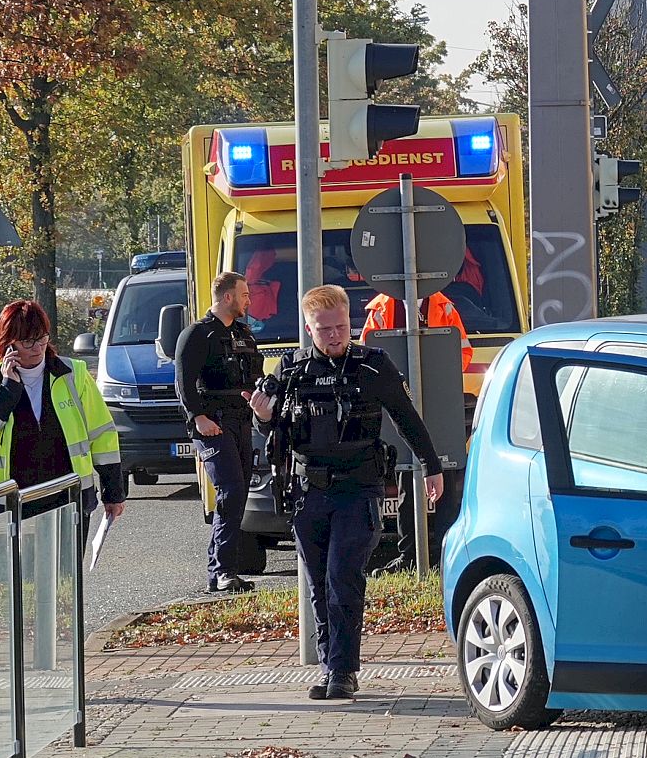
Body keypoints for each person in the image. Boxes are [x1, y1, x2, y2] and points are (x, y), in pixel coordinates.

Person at [249, 285, 443, 701]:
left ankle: (342, 671)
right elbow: (274, 434)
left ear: (350, 323)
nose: (335, 335)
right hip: (308, 490)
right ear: (308, 328)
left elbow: (407, 418)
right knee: (318, 583)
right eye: (324, 329)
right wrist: (264, 419)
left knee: (343, 577)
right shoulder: (290, 371)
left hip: (358, 488)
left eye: (341, 327)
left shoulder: (373, 366)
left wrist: (432, 467)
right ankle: (329, 664)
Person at [0, 300, 127, 524]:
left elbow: (103, 435)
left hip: (69, 497)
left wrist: (113, 492)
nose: (38, 348)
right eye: (28, 341)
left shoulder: (74, 374)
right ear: (9, 343)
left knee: (68, 561)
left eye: (42, 338)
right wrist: (8, 389)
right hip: (11, 502)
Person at [359, 290, 469, 573]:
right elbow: (367, 353)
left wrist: (439, 376)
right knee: (406, 478)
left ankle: (447, 556)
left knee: (445, 473)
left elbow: (463, 350)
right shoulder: (383, 308)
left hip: (440, 403)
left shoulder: (444, 306)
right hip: (399, 404)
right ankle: (409, 556)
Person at [173, 273, 266, 592]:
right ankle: (223, 570)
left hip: (242, 421)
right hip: (212, 424)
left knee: (239, 492)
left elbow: (255, 375)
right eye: (244, 295)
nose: (248, 300)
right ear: (227, 297)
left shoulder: (243, 333)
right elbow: (184, 382)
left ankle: (221, 570)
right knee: (232, 490)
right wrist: (197, 417)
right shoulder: (197, 334)